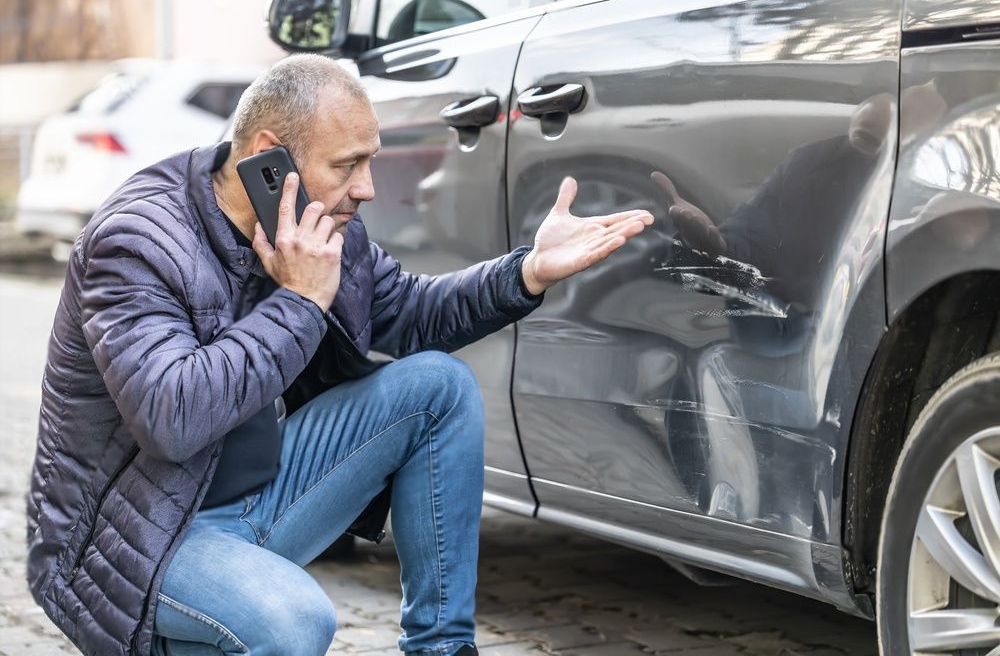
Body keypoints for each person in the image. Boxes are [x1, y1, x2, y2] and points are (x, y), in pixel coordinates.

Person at [24, 54, 653, 656]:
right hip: (138, 540)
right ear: (269, 157)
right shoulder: (138, 240)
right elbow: (173, 418)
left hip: (256, 501)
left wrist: (528, 274)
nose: (368, 188)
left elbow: (411, 313)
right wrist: (299, 300)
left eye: (370, 161)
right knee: (296, 623)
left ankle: (442, 647)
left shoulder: (316, 223)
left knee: (437, 386)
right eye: (348, 164)